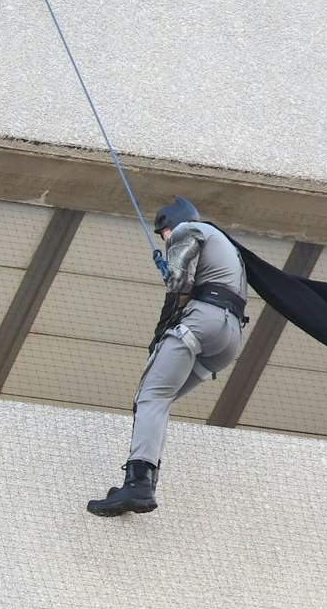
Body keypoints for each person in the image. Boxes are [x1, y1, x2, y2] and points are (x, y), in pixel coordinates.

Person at [89, 196, 249, 516]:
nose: (164, 239)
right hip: (229, 338)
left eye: (163, 232)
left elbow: (179, 284)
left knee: (150, 395)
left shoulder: (187, 229)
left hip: (203, 322)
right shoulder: (227, 247)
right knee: (160, 399)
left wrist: (159, 333)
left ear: (170, 223)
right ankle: (143, 482)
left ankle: (139, 483)